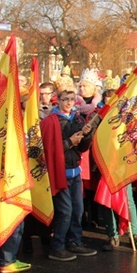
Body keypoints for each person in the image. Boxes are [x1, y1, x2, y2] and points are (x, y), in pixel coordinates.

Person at [40, 89, 99, 261]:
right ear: (57, 100)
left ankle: (74, 241)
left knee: (78, 210)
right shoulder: (51, 121)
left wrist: (86, 135)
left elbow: (82, 148)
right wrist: (68, 142)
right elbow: (49, 150)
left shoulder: (77, 118)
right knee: (65, 211)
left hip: (75, 171)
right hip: (60, 172)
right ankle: (57, 246)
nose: (69, 102)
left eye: (72, 99)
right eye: (65, 99)